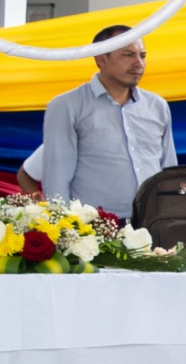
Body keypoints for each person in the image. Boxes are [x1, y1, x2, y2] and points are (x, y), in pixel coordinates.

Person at [41, 26, 176, 220]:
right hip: (96, 227)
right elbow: (56, 178)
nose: (138, 63)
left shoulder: (157, 106)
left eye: (143, 56)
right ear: (100, 59)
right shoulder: (67, 105)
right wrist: (64, 228)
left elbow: (169, 171)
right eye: (127, 55)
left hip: (153, 222)